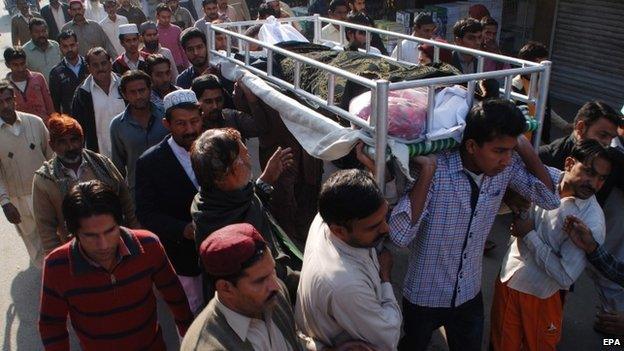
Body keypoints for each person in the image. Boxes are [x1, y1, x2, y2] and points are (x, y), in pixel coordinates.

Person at [389, 99, 561, 351]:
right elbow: (400, 236)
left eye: (510, 150)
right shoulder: (436, 170)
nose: (506, 159)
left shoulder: (506, 168)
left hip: (469, 293)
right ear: (471, 146)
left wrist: (524, 147)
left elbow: (549, 198)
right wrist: (426, 172)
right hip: (424, 294)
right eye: (499, 150)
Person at [38, 180, 193, 350]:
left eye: (110, 231)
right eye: (91, 236)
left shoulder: (149, 246)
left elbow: (175, 295)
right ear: (74, 232)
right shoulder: (56, 266)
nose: (103, 245)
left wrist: (190, 337)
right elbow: (52, 326)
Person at [490, 139, 611, 351]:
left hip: (541, 298)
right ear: (569, 163)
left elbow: (565, 276)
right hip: (507, 279)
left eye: (601, 178)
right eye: (590, 172)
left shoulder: (592, 222)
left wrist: (528, 235)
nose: (594, 184)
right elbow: (509, 208)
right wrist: (513, 201)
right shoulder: (543, 179)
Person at [295, 169, 402, 350]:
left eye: (384, 217)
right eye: (374, 226)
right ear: (339, 231)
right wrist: (385, 278)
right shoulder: (347, 286)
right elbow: (388, 337)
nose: (386, 228)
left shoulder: (327, 216)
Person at [190, 127, 302, 297]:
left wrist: (265, 181)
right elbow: (268, 276)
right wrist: (312, 280)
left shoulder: (217, 196)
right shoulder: (226, 233)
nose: (249, 158)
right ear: (231, 171)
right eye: (244, 155)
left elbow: (247, 202)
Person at [135, 89, 204, 314]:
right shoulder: (150, 162)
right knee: (190, 314)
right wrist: (182, 229)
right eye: (181, 124)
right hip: (183, 259)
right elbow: (146, 214)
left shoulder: (216, 148)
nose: (190, 130)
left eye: (194, 121)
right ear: (167, 124)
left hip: (220, 256)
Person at [32, 114, 139, 256]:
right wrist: (57, 261)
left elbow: (126, 202)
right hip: (76, 252)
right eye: (62, 142)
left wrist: (136, 235)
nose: (70, 147)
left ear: (82, 140)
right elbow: (46, 229)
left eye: (74, 140)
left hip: (116, 243)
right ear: (52, 145)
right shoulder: (44, 180)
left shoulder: (102, 165)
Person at [0, 81, 53, 268]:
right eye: (0, 102)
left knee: (54, 238)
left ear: (15, 100)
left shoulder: (35, 122)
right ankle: (47, 279)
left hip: (44, 192)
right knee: (34, 243)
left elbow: (52, 157)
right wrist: (5, 203)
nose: (5, 106)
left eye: (8, 100)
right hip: (18, 200)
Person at [110, 70, 168, 196]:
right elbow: (118, 167)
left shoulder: (166, 115)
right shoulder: (117, 125)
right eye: (133, 92)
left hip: (169, 187)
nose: (138, 96)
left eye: (142, 90)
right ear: (125, 95)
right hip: (138, 192)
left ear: (150, 90)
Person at [513, 41, 572, 144]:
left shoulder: (541, 83)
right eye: (542, 62)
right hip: (518, 142)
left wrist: (564, 125)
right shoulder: (515, 85)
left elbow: (544, 109)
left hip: (535, 140)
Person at [71, 47, 126, 157]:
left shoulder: (124, 85)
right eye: (95, 65)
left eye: (104, 63)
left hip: (128, 150)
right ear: (89, 68)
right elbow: (78, 129)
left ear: (110, 64)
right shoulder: (83, 93)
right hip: (100, 156)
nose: (100, 68)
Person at [191, 74, 268, 137]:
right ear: (197, 102)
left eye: (219, 100)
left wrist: (252, 100)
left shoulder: (232, 117)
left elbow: (261, 129)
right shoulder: (192, 128)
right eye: (208, 102)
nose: (215, 106)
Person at [4, 46, 55, 122]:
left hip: (43, 127)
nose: (20, 68)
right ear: (7, 65)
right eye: (15, 65)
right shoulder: (5, 86)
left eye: (22, 63)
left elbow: (50, 106)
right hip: (20, 129)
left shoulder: (38, 78)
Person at [49, 30, 88, 114]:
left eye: (72, 45)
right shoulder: (56, 72)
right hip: (71, 120)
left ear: (77, 45)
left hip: (93, 116)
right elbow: (55, 103)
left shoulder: (89, 65)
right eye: (65, 46)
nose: (69, 49)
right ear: (60, 48)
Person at [23, 18, 61, 82]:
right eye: (37, 32)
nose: (41, 34)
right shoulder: (24, 51)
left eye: (43, 31)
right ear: (30, 33)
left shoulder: (55, 46)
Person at [156, 3, 189, 72]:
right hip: (162, 68)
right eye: (163, 17)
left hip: (179, 65)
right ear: (157, 16)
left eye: (168, 17)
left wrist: (187, 65)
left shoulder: (176, 29)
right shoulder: (154, 32)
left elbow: (182, 49)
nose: (166, 19)